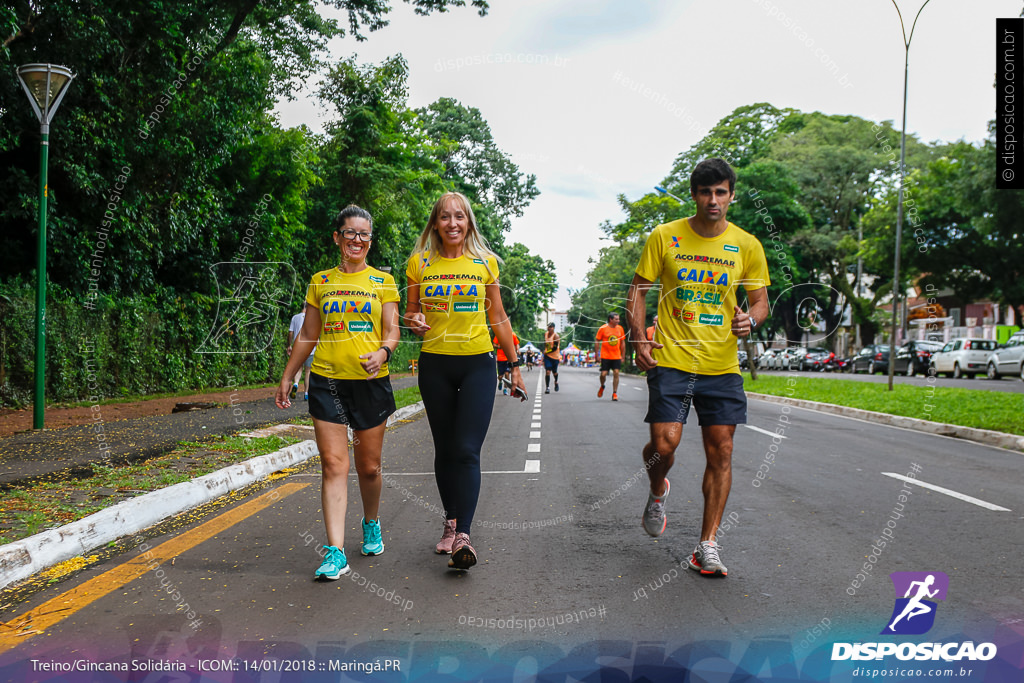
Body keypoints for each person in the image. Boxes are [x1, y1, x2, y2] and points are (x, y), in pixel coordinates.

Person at [627, 158, 770, 578]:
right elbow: (638, 291)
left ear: (731, 196)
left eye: (721, 192)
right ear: (694, 195)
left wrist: (752, 318)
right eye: (705, 192)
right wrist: (638, 336)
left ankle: (707, 544)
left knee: (721, 450)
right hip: (671, 358)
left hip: (722, 365)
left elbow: (760, 301)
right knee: (665, 444)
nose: (713, 200)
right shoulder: (665, 236)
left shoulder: (746, 245)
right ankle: (658, 488)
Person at [275, 205, 400, 581]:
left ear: (370, 241)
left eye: (364, 235)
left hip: (370, 383)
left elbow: (392, 330)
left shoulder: (384, 282)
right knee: (333, 465)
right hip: (328, 381)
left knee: (369, 467)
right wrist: (289, 375)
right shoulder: (320, 281)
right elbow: (308, 334)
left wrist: (382, 353)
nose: (357, 241)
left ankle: (372, 522)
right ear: (337, 237)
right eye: (350, 233)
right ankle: (335, 551)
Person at [403, 191, 526, 570]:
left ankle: (464, 536)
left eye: (459, 217)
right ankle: (450, 518)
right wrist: (415, 322)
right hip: (435, 364)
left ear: (469, 222)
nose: (453, 223)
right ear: (435, 224)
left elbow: (499, 317)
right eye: (445, 217)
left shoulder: (485, 263)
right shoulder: (419, 263)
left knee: (468, 449)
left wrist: (515, 365)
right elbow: (410, 313)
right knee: (445, 448)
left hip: (478, 364)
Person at [595, 312, 626, 401]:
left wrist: (623, 355)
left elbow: (623, 342)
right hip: (605, 356)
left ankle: (614, 393)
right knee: (603, 374)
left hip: (616, 356)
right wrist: (597, 355)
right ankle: (602, 386)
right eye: (616, 319)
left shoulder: (620, 329)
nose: (618, 321)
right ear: (610, 319)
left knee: (616, 372)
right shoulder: (603, 328)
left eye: (618, 319)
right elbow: (597, 341)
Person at [287, 309, 315, 400]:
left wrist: (289, 345)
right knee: (308, 372)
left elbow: (290, 333)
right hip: (310, 349)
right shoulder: (313, 318)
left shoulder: (295, 317)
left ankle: (296, 384)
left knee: (298, 369)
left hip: (297, 348)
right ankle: (306, 393)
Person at [493, 330, 521, 394]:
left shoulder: (513, 335)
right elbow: (494, 344)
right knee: (500, 376)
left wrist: (518, 350)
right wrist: (499, 346)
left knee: (507, 373)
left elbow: (517, 344)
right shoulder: (499, 334)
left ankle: (505, 389)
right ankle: (500, 381)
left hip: (508, 358)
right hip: (500, 359)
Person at [543, 322, 560, 393]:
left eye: (551, 327)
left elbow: (555, 348)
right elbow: (547, 344)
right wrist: (545, 352)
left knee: (554, 372)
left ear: (553, 328)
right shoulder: (546, 334)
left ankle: (556, 382)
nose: (549, 328)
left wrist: (546, 352)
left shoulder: (556, 336)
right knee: (548, 371)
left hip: (555, 357)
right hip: (548, 357)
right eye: (548, 327)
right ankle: (547, 387)